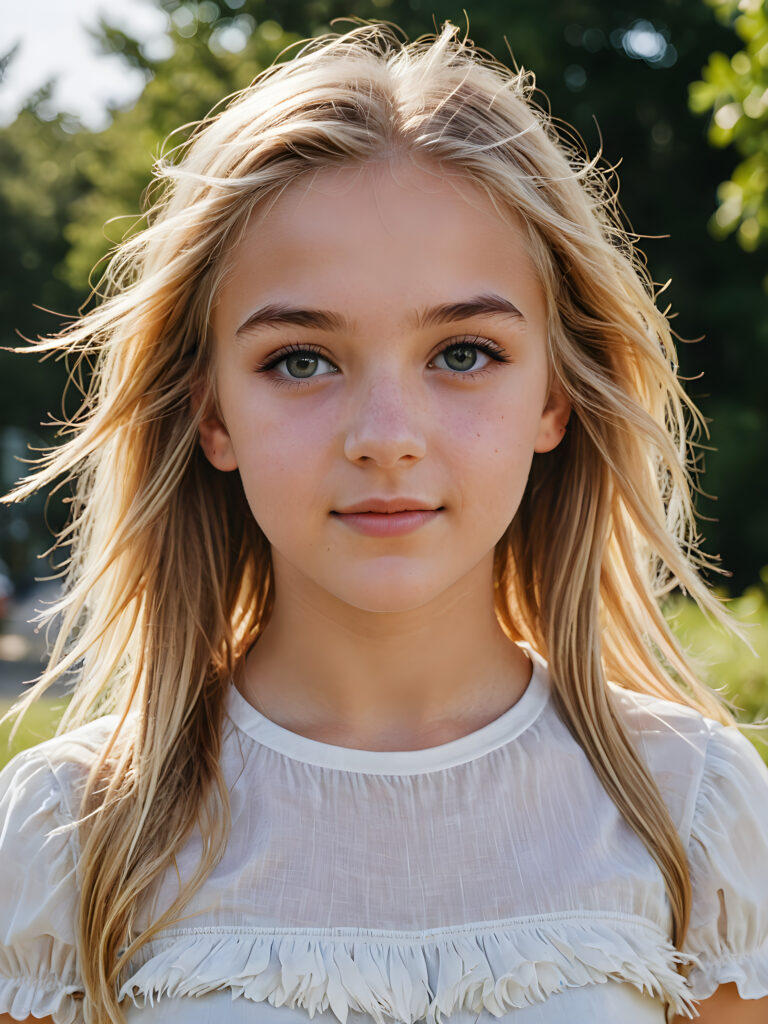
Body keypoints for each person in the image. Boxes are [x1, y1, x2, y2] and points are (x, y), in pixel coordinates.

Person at [0, 18, 767, 1024]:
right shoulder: (71, 835)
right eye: (300, 360)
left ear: (555, 396)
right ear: (211, 413)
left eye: (463, 352)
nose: (386, 437)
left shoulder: (692, 810)